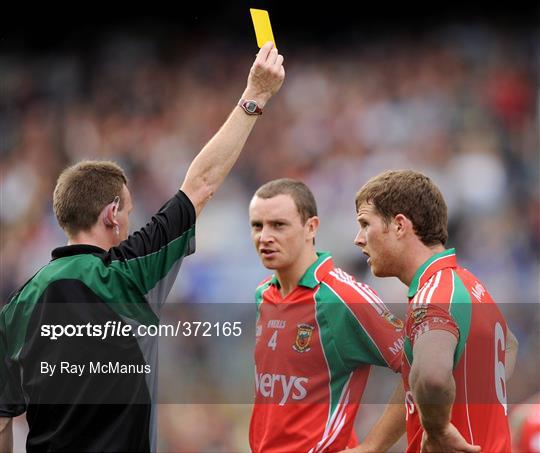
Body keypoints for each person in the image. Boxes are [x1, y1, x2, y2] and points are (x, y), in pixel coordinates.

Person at [0, 41, 285, 453]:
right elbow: (201, 185)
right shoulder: (129, 272)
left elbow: (3, 420)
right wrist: (255, 96)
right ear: (112, 214)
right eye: (129, 213)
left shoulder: (17, 307)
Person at [350, 169, 519, 452]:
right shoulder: (466, 284)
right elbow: (510, 347)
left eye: (365, 223)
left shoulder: (433, 297)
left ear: (400, 226)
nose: (358, 238)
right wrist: (372, 446)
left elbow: (432, 378)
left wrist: (438, 429)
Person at [248, 178, 405, 453]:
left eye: (278, 225)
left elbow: (421, 370)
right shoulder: (264, 294)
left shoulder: (343, 298)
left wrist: (373, 446)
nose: (265, 237)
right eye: (257, 226)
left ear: (311, 227)